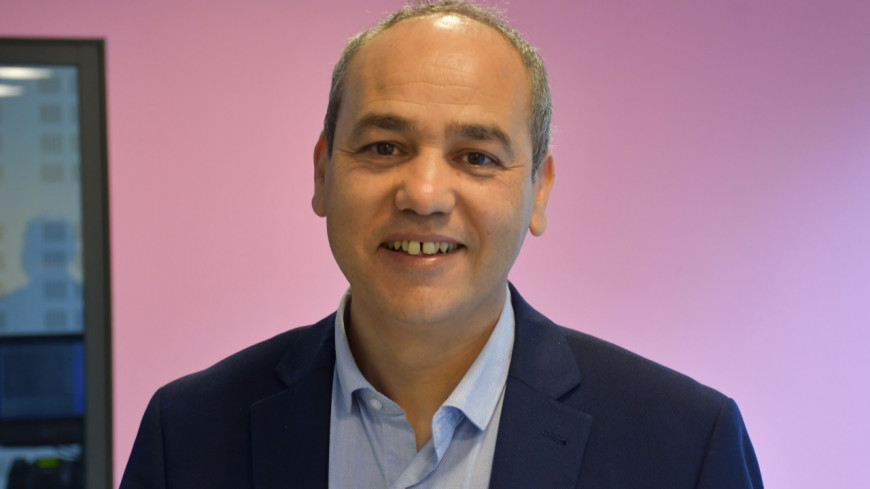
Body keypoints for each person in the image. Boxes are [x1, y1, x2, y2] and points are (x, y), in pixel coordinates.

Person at [120, 1, 763, 488]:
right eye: (384, 147)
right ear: (321, 173)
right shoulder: (189, 434)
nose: (424, 194)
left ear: (539, 190)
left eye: (476, 156)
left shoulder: (685, 446)